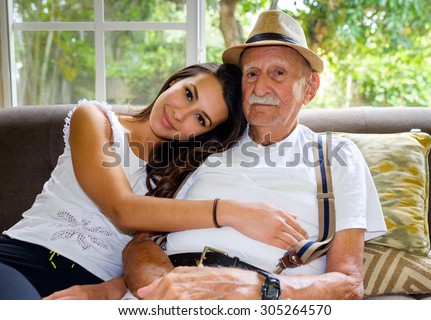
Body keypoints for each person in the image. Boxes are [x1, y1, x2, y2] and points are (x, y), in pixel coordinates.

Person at [47, 10, 387, 300]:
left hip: (263, 295)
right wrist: (155, 289)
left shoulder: (336, 156)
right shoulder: (207, 145)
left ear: (309, 87)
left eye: (278, 73)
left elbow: (348, 283)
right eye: (252, 74)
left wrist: (256, 288)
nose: (260, 87)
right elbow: (141, 243)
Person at [0, 62, 305, 299]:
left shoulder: (182, 176)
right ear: (175, 81)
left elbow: (153, 248)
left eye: (200, 119)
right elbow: (122, 208)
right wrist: (232, 211)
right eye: (188, 94)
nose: (180, 114)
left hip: (91, 286)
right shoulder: (95, 120)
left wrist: (110, 290)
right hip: (23, 257)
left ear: (202, 134)